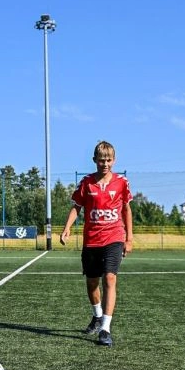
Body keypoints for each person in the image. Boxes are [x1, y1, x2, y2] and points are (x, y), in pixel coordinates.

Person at [59, 140, 134, 347]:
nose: (105, 164)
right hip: (91, 240)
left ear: (114, 160)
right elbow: (77, 207)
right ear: (94, 160)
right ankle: (97, 315)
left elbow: (126, 209)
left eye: (109, 160)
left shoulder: (122, 182)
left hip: (114, 237)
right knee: (92, 283)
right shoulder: (86, 183)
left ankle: (105, 329)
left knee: (109, 278)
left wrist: (129, 238)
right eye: (101, 160)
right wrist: (66, 228)